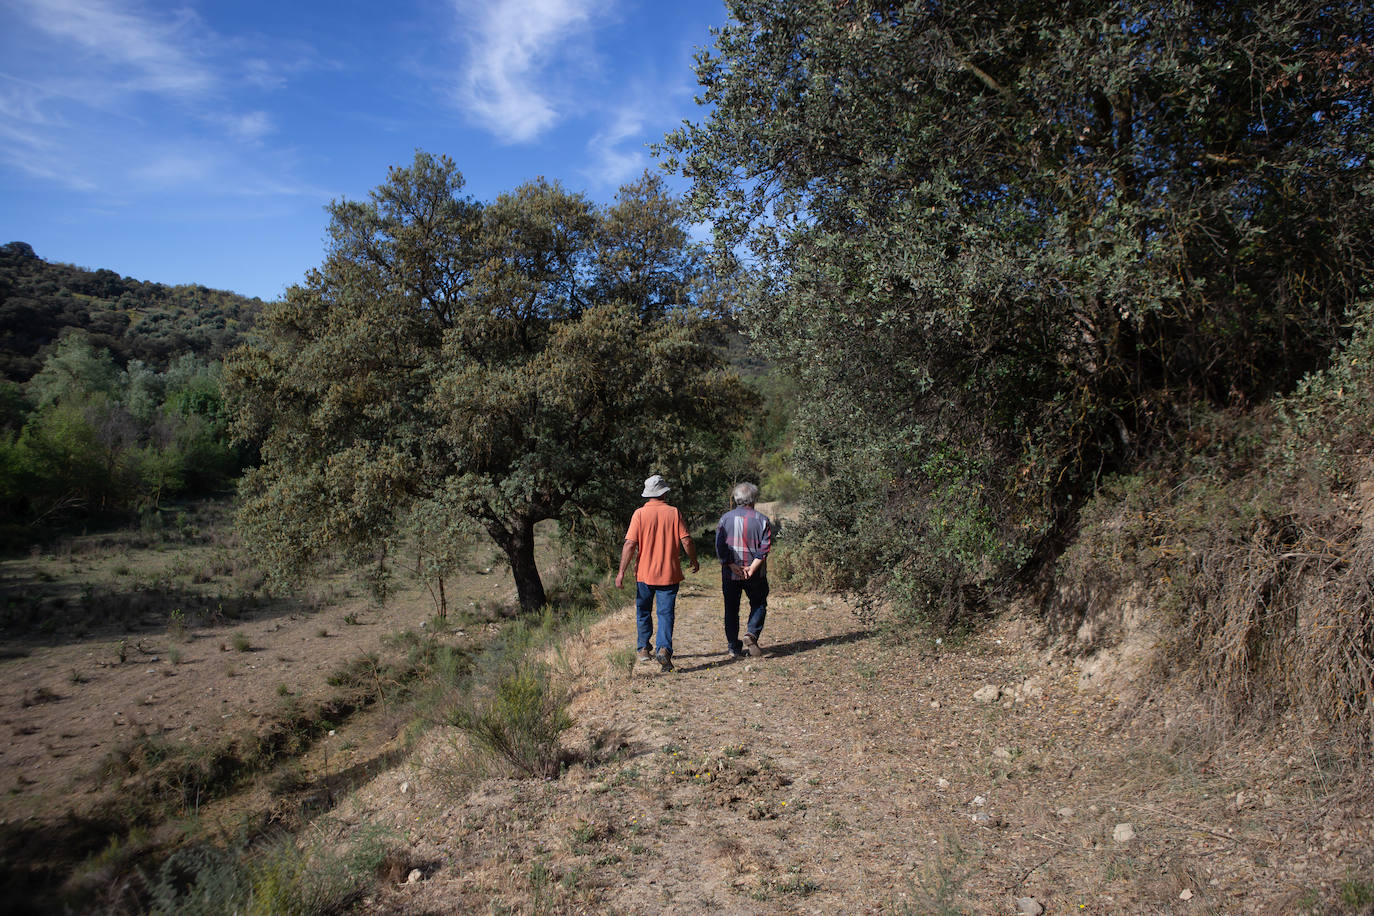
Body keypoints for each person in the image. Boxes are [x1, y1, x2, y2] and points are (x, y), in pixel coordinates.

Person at [615, 474, 699, 671]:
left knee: (643, 611)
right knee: (665, 614)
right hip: (669, 574)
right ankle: (663, 650)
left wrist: (621, 573)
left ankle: (643, 648)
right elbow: (686, 540)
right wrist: (693, 559)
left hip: (644, 574)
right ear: (664, 492)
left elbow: (629, 544)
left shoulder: (639, 514)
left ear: (648, 494)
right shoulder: (673, 512)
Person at [715, 482, 773, 659]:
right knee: (759, 602)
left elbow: (720, 545)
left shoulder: (725, 519)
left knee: (731, 608)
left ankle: (733, 647)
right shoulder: (762, 520)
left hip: (731, 574)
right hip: (755, 574)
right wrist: (753, 567)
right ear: (753, 499)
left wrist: (731, 564)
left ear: (736, 499)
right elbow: (765, 546)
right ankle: (751, 634)